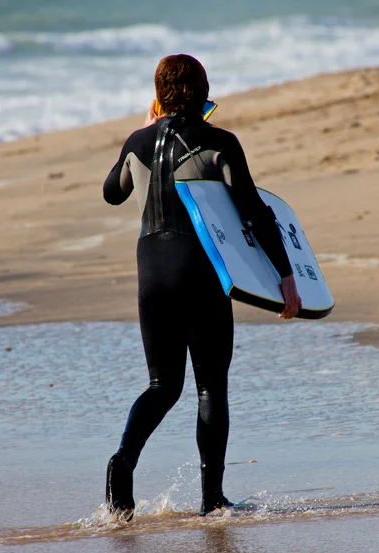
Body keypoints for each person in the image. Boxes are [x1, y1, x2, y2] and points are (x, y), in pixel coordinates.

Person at [103, 54, 301, 521]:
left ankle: (122, 461)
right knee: (211, 386)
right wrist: (287, 277)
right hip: (201, 270)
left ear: (159, 95)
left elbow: (113, 191)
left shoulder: (138, 141)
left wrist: (142, 131)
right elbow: (253, 210)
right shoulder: (220, 143)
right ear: (204, 91)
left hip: (152, 272)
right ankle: (212, 499)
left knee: (161, 384)